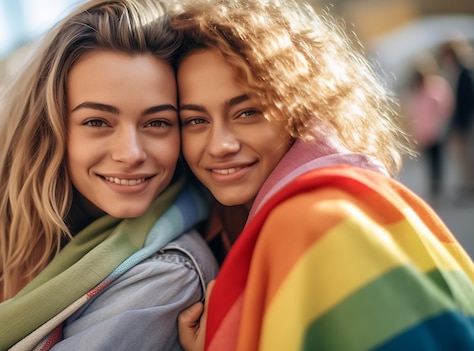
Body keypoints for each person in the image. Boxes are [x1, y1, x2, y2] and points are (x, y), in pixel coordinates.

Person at [169, 0, 474, 350]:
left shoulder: (314, 220)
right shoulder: (328, 199)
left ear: (299, 108)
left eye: (248, 112)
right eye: (195, 120)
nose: (219, 144)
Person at [0, 0, 217, 350]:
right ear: (50, 129)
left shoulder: (167, 274)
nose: (131, 153)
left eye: (157, 123)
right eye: (97, 122)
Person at [403, 53, 454, 199]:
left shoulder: (435, 85)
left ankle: (437, 185)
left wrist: (442, 123)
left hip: (436, 130)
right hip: (424, 132)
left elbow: (444, 106)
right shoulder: (415, 91)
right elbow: (412, 112)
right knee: (430, 160)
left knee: (437, 160)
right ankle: (434, 185)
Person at [439, 37, 474, 199]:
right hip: (456, 122)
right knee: (460, 156)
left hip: (465, 121)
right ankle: (466, 184)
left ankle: (469, 185)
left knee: (468, 154)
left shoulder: (464, 72)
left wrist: (462, 122)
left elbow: (467, 100)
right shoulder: (449, 72)